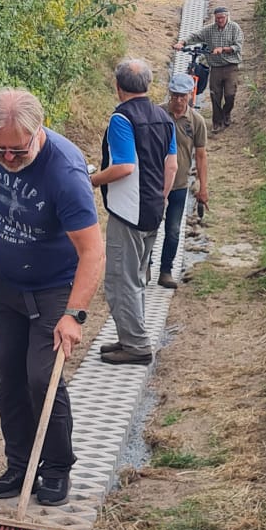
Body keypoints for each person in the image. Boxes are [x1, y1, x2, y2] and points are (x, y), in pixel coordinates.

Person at [0, 87, 104, 509]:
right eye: (1, 150)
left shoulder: (65, 172)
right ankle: (20, 466)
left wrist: (74, 315)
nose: (9, 158)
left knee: (41, 376)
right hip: (6, 283)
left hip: (55, 286)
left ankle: (56, 467)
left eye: (19, 151)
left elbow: (93, 251)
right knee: (8, 374)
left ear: (39, 131)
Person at [88, 57, 176, 364]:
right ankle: (129, 337)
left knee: (120, 280)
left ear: (117, 86)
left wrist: (91, 181)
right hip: (153, 209)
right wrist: (161, 198)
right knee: (136, 277)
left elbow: (124, 166)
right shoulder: (164, 118)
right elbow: (172, 166)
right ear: (148, 85)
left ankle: (137, 346)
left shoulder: (121, 119)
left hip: (128, 212)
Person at [158, 68, 209, 288]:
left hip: (179, 185)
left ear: (190, 95)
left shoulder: (196, 122)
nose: (178, 101)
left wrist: (203, 187)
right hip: (154, 183)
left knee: (173, 230)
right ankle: (144, 266)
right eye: (175, 96)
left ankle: (165, 270)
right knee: (148, 228)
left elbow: (201, 155)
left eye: (183, 96)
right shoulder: (157, 114)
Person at [193, 0, 243, 129]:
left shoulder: (235, 28)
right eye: (217, 18)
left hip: (231, 66)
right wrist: (182, 42)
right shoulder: (209, 30)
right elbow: (196, 36)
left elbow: (238, 46)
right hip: (215, 67)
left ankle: (226, 114)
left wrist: (223, 49)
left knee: (230, 94)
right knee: (215, 95)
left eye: (222, 18)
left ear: (227, 17)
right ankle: (216, 121)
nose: (219, 20)